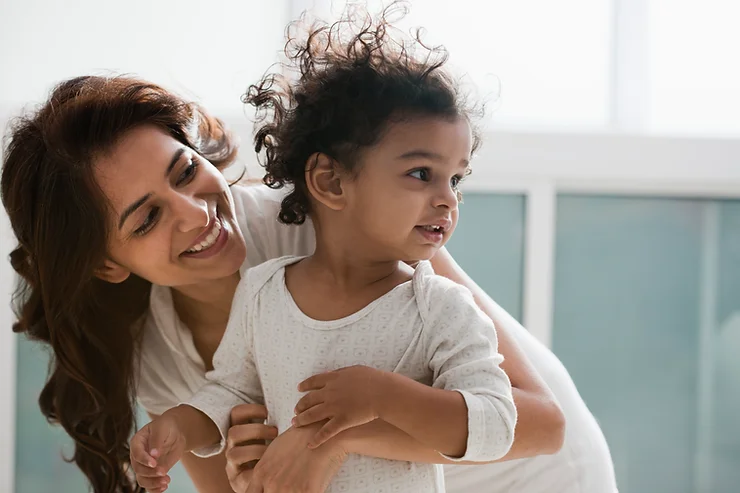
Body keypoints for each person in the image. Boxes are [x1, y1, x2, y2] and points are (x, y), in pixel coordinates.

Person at [1, 13, 615, 493]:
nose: (195, 211)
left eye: (185, 170)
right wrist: (253, 472)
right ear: (106, 264)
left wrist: (330, 438)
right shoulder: (160, 355)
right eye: (148, 217)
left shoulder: (319, 218)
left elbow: (537, 423)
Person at [129, 12, 518, 491]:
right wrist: (179, 428)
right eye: (422, 173)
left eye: (456, 179)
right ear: (330, 182)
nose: (447, 199)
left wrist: (384, 396)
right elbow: (229, 389)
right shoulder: (263, 291)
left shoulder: (439, 307)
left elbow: (496, 424)